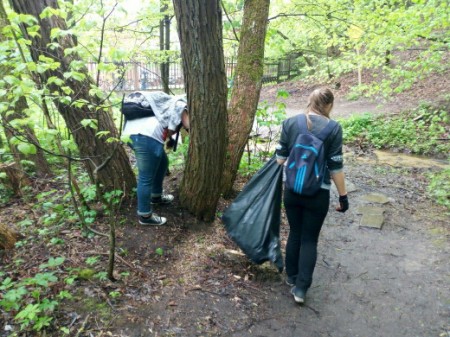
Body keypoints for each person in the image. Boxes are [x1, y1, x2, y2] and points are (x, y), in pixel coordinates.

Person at [275, 87, 349, 304]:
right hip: (318, 194)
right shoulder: (334, 129)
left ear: (310, 102)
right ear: (329, 106)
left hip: (292, 191)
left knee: (295, 233)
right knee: (309, 239)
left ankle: (291, 277)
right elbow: (336, 167)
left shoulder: (290, 123)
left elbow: (280, 158)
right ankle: (301, 289)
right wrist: (343, 197)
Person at [123, 91, 190, 226]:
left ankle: (156, 196)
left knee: (163, 161)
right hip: (146, 137)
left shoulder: (163, 104)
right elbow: (189, 125)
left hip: (131, 134)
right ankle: (145, 215)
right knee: (145, 177)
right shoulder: (181, 105)